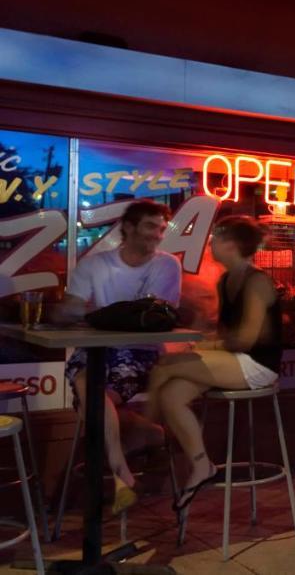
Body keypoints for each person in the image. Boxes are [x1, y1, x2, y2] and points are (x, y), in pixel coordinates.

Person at [144, 216, 282, 512]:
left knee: (165, 364)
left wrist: (205, 345)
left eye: (214, 240)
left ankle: (149, 436)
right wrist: (201, 338)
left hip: (257, 365)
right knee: (171, 395)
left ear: (230, 246)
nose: (209, 245)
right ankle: (200, 465)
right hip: (230, 361)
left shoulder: (256, 281)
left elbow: (245, 339)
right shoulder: (224, 280)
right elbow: (223, 333)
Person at [63, 199, 182, 515]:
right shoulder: (95, 263)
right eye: (149, 226)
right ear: (127, 228)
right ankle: (125, 470)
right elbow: (72, 308)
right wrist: (64, 310)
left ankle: (120, 471)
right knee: (90, 389)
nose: (156, 235)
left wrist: (94, 315)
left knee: (92, 400)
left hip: (139, 352)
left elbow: (156, 318)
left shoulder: (166, 265)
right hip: (93, 351)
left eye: (160, 229)